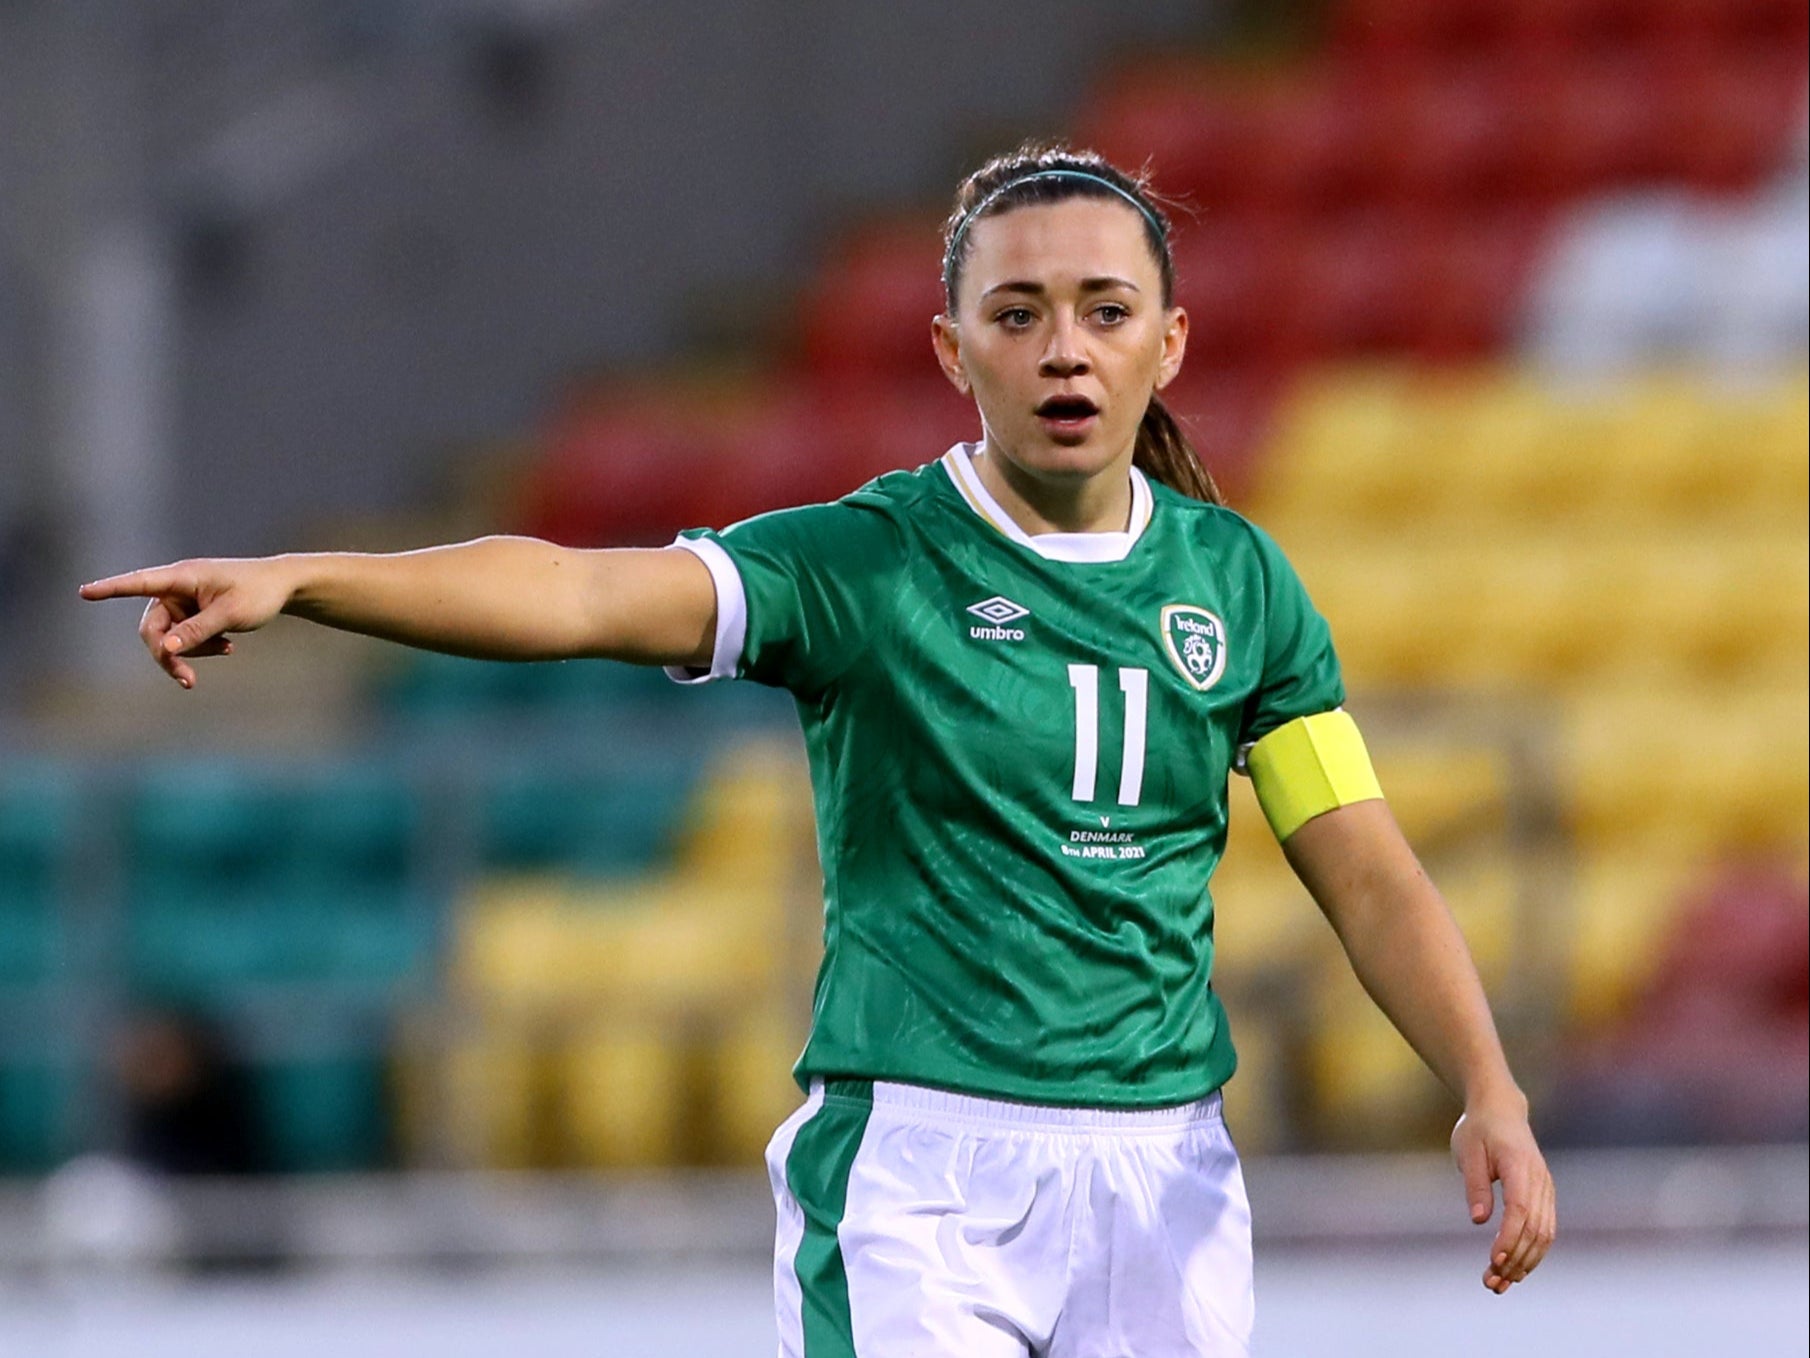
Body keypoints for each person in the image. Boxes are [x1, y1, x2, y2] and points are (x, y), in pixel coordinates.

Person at [81, 142, 1555, 1356]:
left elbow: (1359, 865)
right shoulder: (866, 562)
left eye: (1105, 312)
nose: (1062, 350)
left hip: (1162, 1179)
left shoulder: (1241, 587)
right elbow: (584, 589)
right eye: (1017, 311)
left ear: (1167, 343)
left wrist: (1485, 1086)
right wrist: (311, 575)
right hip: (921, 1175)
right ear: (948, 346)